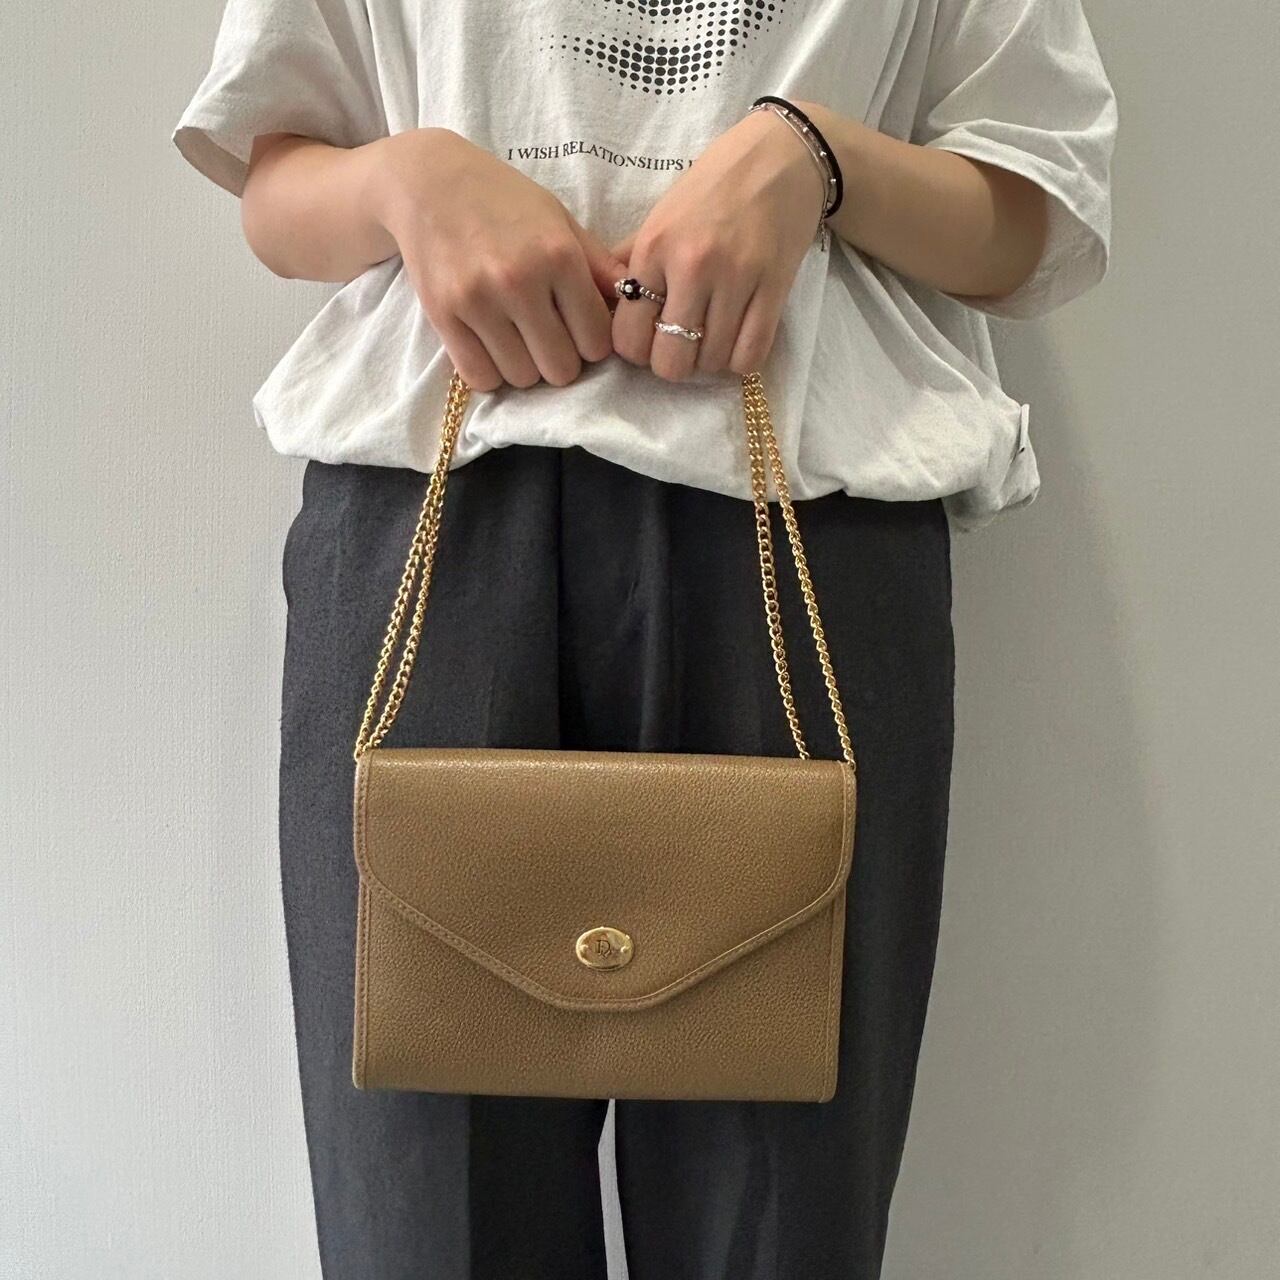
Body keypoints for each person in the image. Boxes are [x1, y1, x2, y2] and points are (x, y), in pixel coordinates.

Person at [173, 0, 1117, 1274]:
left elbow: (1030, 210)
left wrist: (813, 156)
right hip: (434, 524)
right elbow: (274, 179)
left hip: (804, 527)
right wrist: (407, 181)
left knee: (780, 1226)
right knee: (421, 1219)